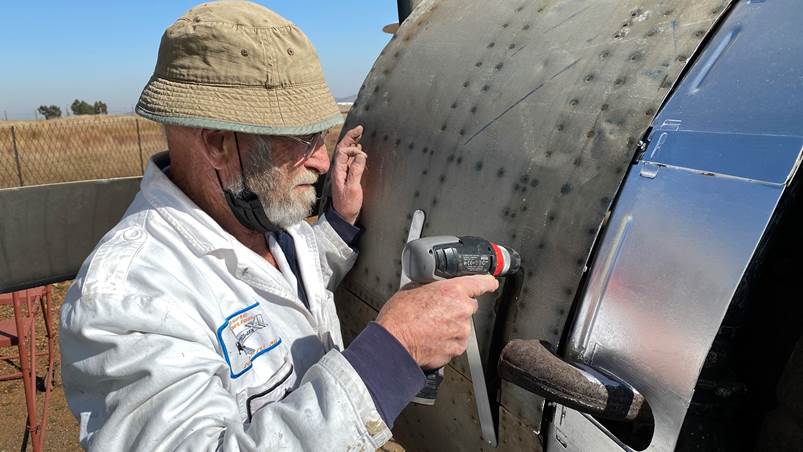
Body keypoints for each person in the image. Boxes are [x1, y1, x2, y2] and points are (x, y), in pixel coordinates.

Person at [60, 2, 498, 450]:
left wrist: (339, 223)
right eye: (299, 139)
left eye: (320, 135)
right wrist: (392, 355)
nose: (323, 160)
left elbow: (280, 297)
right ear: (217, 144)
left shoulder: (253, 214)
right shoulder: (126, 301)